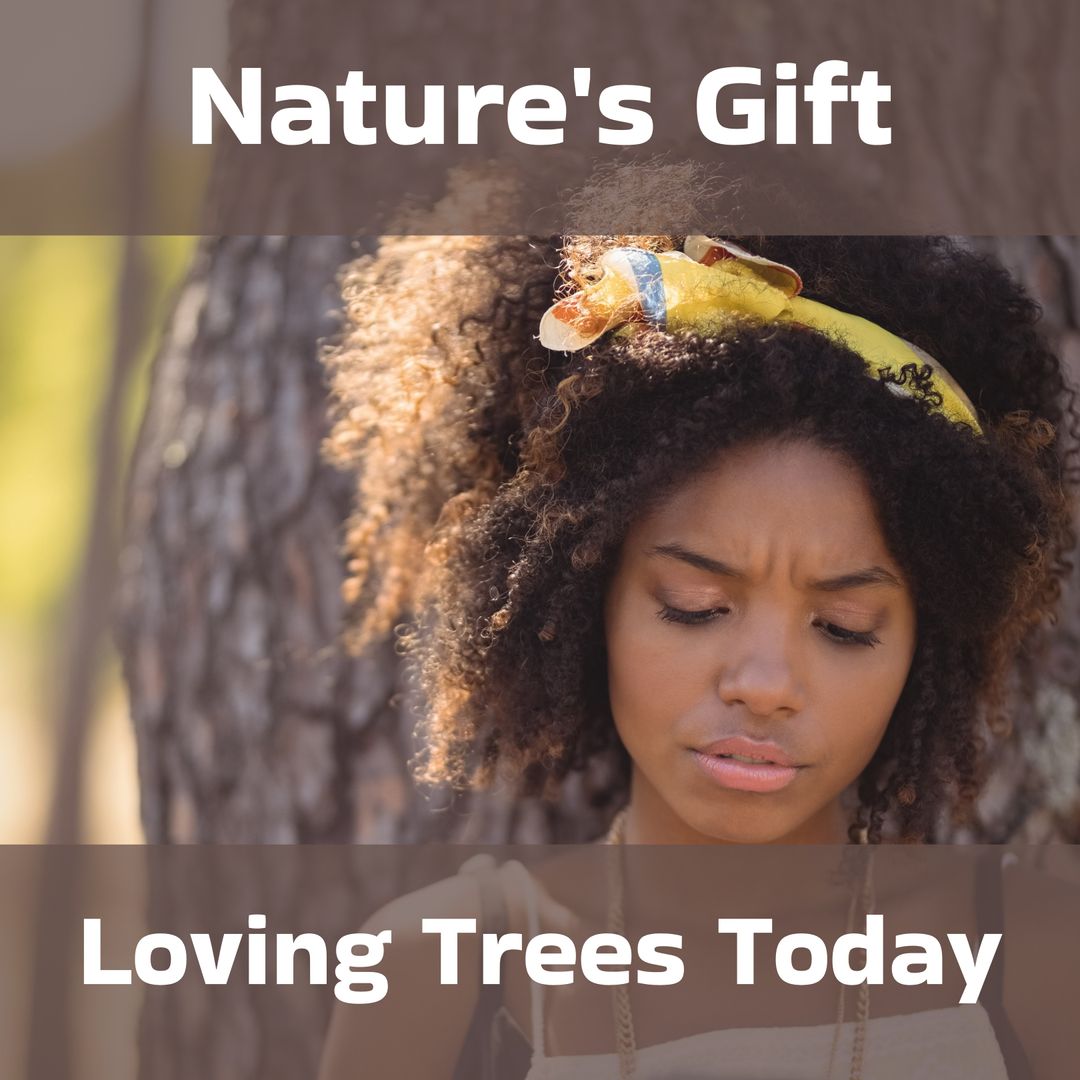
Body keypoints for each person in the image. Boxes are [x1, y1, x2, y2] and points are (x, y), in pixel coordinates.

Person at [317, 223, 1080, 1078]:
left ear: (924, 643)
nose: (764, 685)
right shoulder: (441, 978)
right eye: (695, 607)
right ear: (582, 599)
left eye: (843, 627)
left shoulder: (1038, 961)